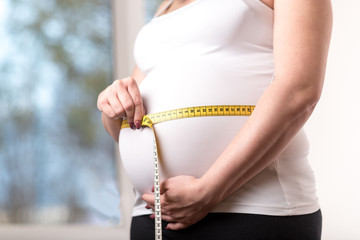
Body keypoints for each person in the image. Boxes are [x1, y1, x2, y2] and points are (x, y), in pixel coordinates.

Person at [97, 0, 332, 239]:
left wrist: (211, 189)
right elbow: (130, 125)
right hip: (153, 215)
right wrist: (113, 106)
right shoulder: (165, 7)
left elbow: (299, 90)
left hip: (257, 210)